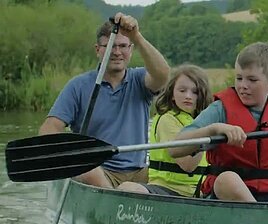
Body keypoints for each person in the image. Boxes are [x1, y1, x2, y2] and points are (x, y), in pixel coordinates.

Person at [38, 13, 170, 188]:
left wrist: (136, 37)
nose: (116, 52)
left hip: (139, 173)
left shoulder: (140, 80)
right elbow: (50, 128)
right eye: (110, 46)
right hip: (98, 173)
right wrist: (67, 154)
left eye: (123, 46)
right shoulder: (78, 86)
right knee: (87, 170)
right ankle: (112, 200)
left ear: (131, 50)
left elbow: (163, 75)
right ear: (98, 50)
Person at [170, 42, 268, 202]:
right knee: (227, 179)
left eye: (252, 80)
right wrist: (213, 130)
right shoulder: (219, 109)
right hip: (226, 195)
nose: (243, 86)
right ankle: (263, 220)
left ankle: (263, 218)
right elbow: (174, 149)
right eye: (239, 78)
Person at [117, 64, 211, 196]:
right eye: (182, 90)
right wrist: (206, 134)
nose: (188, 96)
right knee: (128, 187)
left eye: (195, 92)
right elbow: (188, 165)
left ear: (202, 95)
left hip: (199, 191)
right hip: (167, 190)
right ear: (172, 94)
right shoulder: (167, 120)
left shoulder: (203, 120)